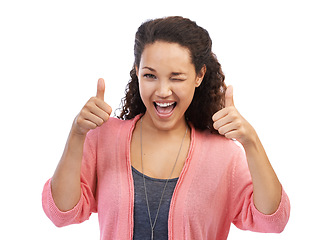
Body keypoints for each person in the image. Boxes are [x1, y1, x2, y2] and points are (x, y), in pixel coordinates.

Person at [42, 16, 290, 240]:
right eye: (150, 75)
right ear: (137, 71)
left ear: (199, 76)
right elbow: (61, 213)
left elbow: (273, 221)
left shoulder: (225, 156)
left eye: (176, 77)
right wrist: (77, 134)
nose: (162, 91)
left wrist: (251, 142)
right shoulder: (103, 137)